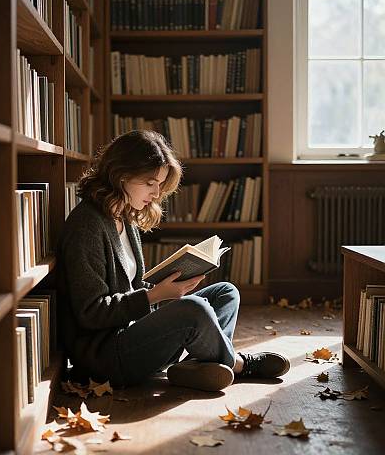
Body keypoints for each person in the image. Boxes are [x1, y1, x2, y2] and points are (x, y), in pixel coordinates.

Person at [55, 130, 290, 392]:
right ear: (121, 175)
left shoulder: (122, 215)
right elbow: (91, 313)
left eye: (160, 184)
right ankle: (236, 363)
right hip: (109, 358)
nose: (156, 194)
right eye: (150, 183)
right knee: (194, 309)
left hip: (135, 334)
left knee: (226, 292)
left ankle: (195, 367)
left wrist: (163, 286)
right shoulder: (86, 226)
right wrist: (154, 296)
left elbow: (128, 287)